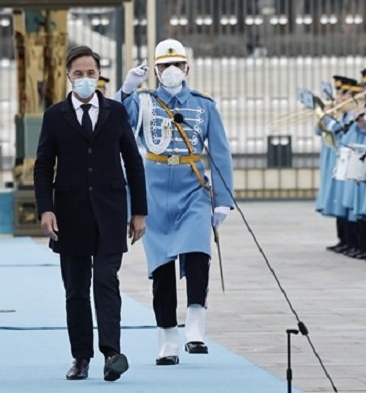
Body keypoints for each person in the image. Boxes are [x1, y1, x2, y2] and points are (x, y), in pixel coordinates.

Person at [116, 38, 234, 366]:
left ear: (187, 68)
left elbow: (221, 152)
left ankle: (195, 325)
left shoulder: (204, 105)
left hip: (192, 187)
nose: (171, 71)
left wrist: (223, 200)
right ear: (154, 70)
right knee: (162, 268)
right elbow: (115, 122)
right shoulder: (143, 102)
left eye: (177, 65)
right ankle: (167, 337)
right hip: (153, 190)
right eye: (164, 66)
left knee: (198, 252)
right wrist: (126, 91)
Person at [34, 45, 147, 382]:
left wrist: (138, 211)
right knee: (76, 290)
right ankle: (80, 357)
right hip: (70, 215)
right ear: (69, 75)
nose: (86, 79)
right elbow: (43, 167)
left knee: (106, 282)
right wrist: (46, 209)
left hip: (110, 213)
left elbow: (133, 162)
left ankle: (112, 352)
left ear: (100, 76)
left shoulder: (115, 112)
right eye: (79, 73)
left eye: (91, 73)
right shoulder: (55, 115)